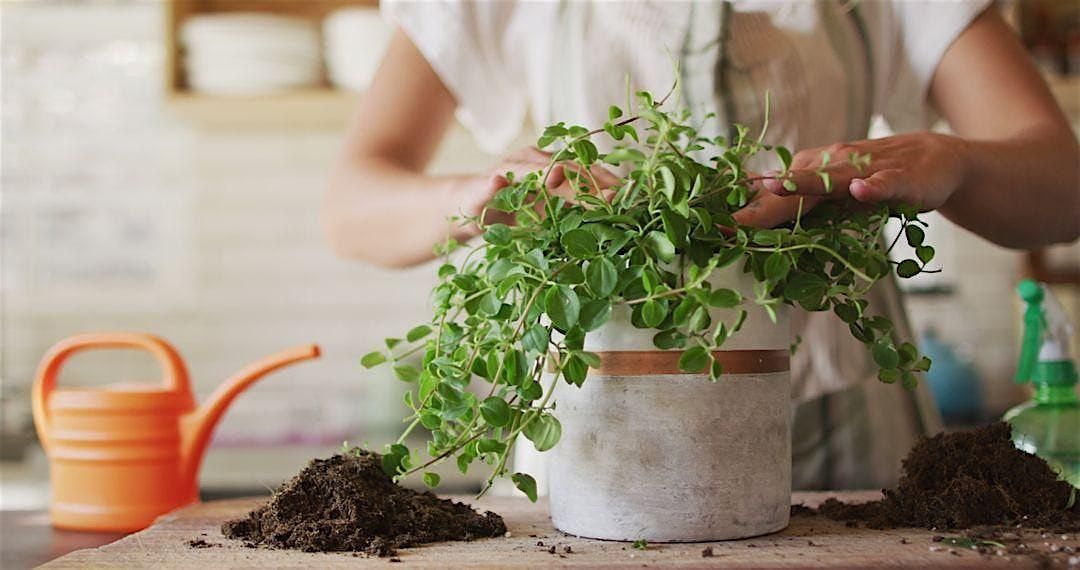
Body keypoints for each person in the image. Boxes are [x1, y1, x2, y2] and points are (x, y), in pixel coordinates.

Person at [325, 1, 1080, 489]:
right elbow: (350, 205)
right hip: (597, 434)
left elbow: (1062, 190)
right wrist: (472, 198)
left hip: (847, 427)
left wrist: (958, 161)